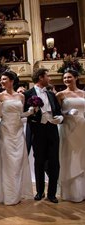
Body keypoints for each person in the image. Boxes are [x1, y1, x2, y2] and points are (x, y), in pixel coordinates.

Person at [0, 70, 33, 205]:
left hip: (18, 131)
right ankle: (8, 195)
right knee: (8, 161)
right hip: (5, 130)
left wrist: (29, 112)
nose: (2, 82)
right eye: (1, 79)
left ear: (12, 81)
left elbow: (21, 115)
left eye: (4, 79)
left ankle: (18, 193)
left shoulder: (21, 97)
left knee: (18, 161)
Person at [24, 68, 63, 203]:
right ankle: (40, 192)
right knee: (39, 161)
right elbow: (23, 114)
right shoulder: (28, 94)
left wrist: (60, 118)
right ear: (41, 77)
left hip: (52, 130)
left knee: (54, 162)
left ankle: (52, 193)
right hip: (37, 131)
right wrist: (31, 113)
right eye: (48, 76)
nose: (50, 79)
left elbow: (58, 111)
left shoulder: (52, 95)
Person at [56, 69, 85, 202]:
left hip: (82, 127)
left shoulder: (83, 94)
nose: (67, 80)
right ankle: (71, 192)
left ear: (76, 78)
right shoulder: (60, 94)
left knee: (82, 157)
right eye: (65, 78)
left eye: (69, 77)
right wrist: (67, 113)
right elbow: (57, 113)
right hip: (68, 128)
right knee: (69, 156)